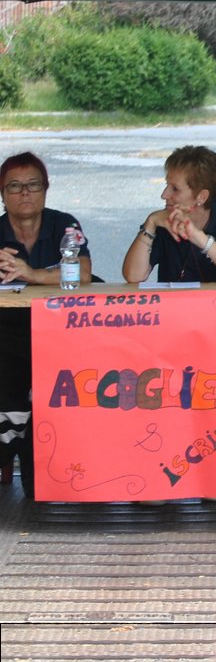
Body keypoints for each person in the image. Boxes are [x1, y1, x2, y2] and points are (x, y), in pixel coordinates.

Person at [0, 152, 92, 497]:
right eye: (14, 186)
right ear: (3, 194)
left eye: (33, 185)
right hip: (7, 333)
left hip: (60, 334)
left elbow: (82, 273)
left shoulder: (63, 225)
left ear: (46, 189)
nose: (25, 193)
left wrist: (29, 273)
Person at [122, 146, 216, 284]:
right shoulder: (162, 222)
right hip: (174, 305)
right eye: (167, 185)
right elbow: (134, 276)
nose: (164, 195)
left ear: (202, 197)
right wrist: (150, 223)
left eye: (175, 189)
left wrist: (198, 237)